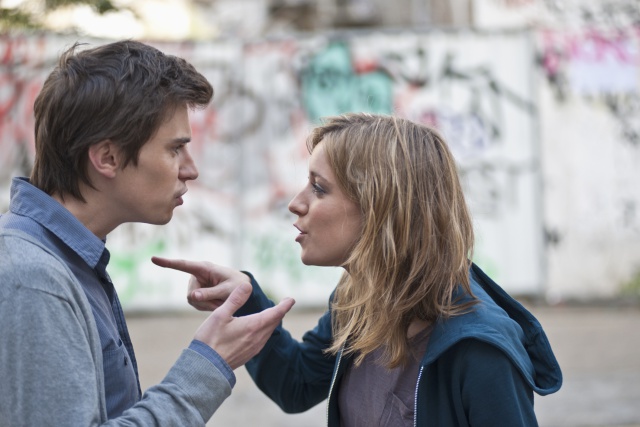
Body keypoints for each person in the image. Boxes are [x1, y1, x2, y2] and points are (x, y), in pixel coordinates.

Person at [154, 113, 563, 426]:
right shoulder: (358, 299)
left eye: (319, 188)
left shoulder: (480, 351)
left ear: (382, 208)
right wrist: (245, 298)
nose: (296, 203)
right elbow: (297, 383)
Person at [0, 40, 295, 426]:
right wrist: (209, 363)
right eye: (175, 149)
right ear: (107, 157)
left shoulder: (62, 259)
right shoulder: (33, 278)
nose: (191, 169)